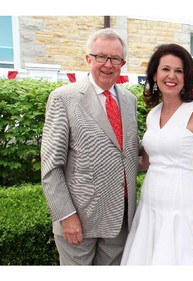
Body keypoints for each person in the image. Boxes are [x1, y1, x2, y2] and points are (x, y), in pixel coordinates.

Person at [41, 28, 139, 265]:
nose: (108, 64)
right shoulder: (63, 98)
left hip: (120, 220)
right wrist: (66, 216)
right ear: (88, 59)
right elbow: (51, 166)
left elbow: (126, 151)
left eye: (115, 58)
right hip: (79, 222)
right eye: (100, 57)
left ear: (122, 63)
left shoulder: (129, 100)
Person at [120, 43, 193, 265]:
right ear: (155, 74)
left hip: (184, 209)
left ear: (187, 77)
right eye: (165, 69)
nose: (171, 76)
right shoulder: (152, 114)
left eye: (179, 70)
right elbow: (147, 162)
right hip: (150, 207)